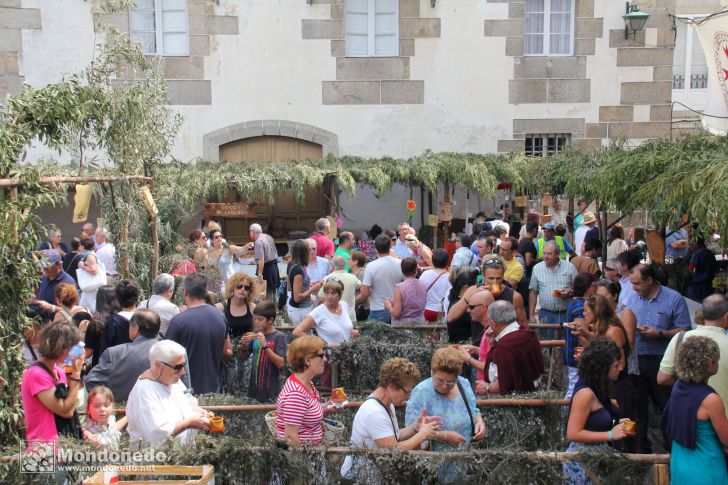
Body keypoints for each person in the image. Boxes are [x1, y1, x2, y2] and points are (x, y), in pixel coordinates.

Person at [341, 358, 442, 483]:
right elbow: (394, 449)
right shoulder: (374, 412)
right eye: (407, 391)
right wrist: (422, 435)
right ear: (392, 387)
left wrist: (415, 427)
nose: (408, 397)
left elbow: (392, 437)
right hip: (358, 478)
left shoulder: (387, 404)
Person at [628, 263, 691, 453]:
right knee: (638, 410)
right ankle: (641, 453)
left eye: (637, 284)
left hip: (663, 362)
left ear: (649, 280)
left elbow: (685, 330)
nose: (634, 288)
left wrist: (660, 334)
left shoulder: (673, 299)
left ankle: (672, 451)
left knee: (667, 408)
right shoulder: (632, 298)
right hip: (637, 360)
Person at [405, 347, 486, 482]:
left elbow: (474, 411)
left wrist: (479, 422)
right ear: (432, 371)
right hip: (434, 470)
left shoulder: (464, 384)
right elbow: (412, 433)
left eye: (450, 382)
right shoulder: (421, 392)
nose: (444, 385)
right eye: (439, 380)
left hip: (465, 465)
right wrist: (444, 436)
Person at [662, 336, 728, 484]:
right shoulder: (710, 399)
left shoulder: (678, 387)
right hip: (706, 469)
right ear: (711, 364)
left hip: (680, 466)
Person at [563, 338, 629, 484]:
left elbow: (595, 420)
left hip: (594, 459)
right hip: (581, 464)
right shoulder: (585, 394)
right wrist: (611, 434)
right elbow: (573, 433)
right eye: (615, 365)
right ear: (602, 367)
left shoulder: (598, 386)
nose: (621, 368)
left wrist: (617, 423)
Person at [126, 340, 211, 447]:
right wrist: (188, 423)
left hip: (181, 456)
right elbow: (155, 435)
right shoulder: (144, 391)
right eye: (177, 367)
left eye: (184, 365)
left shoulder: (172, 380)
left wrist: (198, 411)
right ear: (158, 365)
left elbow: (188, 400)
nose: (183, 371)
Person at [659, 294, 728, 415]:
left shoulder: (681, 338)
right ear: (726, 316)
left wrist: (689, 383)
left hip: (686, 416)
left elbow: (663, 378)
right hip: (723, 418)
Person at [21, 320, 84, 443]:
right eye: (73, 347)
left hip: (64, 447)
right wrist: (76, 375)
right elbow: (65, 411)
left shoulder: (58, 372)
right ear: (60, 347)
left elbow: (69, 405)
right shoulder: (36, 375)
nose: (75, 353)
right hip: (45, 450)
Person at [166, 273, 229, 395]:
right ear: (205, 293)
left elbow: (167, 355)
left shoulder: (178, 321)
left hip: (185, 387)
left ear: (185, 292)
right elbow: (226, 349)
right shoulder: (220, 317)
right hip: (214, 386)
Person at [466, 301, 543, 395]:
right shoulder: (529, 334)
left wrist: (487, 387)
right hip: (535, 393)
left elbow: (505, 384)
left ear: (493, 323)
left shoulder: (504, 346)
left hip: (514, 403)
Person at [85, 309, 161, 402]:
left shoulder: (115, 353)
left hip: (122, 412)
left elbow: (91, 381)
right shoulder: (171, 351)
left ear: (136, 328)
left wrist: (108, 402)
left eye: (130, 326)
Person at [275, 335, 330, 445]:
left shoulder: (306, 383)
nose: (325, 359)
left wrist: (328, 406)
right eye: (321, 355)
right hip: (304, 458)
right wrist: (305, 461)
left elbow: (306, 411)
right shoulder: (296, 394)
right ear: (308, 360)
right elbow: (290, 438)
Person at [240, 301, 287, 402]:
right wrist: (243, 346)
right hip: (254, 390)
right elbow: (244, 357)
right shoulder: (256, 333)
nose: (256, 322)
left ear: (270, 320)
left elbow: (280, 364)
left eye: (260, 319)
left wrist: (265, 346)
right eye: (254, 318)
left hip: (272, 390)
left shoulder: (279, 336)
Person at [528, 241, 578, 331]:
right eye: (544, 253)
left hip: (566, 313)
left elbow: (578, 289)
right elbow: (533, 292)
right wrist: (531, 315)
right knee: (547, 342)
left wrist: (570, 292)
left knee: (566, 341)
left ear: (558, 254)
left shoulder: (569, 267)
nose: (546, 256)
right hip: (546, 314)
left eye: (549, 254)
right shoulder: (537, 268)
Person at [563, 274, 597, 398]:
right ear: (586, 287)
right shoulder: (580, 305)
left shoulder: (575, 302)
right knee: (574, 387)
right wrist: (593, 350)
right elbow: (581, 334)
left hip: (573, 351)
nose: (595, 288)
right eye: (593, 286)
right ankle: (566, 414)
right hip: (578, 353)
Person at [294, 278, 357, 346]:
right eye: (327, 293)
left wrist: (351, 331)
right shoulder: (318, 311)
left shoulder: (344, 305)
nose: (329, 296)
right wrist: (321, 343)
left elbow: (342, 325)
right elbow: (297, 331)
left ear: (340, 294)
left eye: (333, 293)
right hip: (329, 354)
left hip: (348, 352)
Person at [357, 234, 403, 324]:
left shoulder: (371, 266)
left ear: (375, 248)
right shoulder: (400, 263)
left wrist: (353, 301)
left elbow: (365, 293)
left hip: (378, 309)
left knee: (371, 337)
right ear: (390, 246)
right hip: (397, 308)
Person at [98, 279, 140, 357]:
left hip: (117, 366)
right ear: (138, 297)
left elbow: (105, 352)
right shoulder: (146, 319)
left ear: (117, 298)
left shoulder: (112, 322)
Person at [33, 249, 76, 321]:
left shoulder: (68, 283)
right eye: (43, 266)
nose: (44, 269)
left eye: (47, 267)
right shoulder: (44, 277)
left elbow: (73, 311)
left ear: (59, 265)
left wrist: (51, 307)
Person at [287, 239, 323, 326]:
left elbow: (289, 286)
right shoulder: (298, 270)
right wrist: (312, 289)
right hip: (299, 310)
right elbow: (297, 298)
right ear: (305, 252)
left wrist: (308, 285)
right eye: (309, 250)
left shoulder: (291, 263)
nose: (311, 252)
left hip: (299, 308)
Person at [84, 285, 119, 368]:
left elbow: (87, 353)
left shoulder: (96, 323)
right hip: (120, 365)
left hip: (100, 367)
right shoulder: (122, 319)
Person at [318, 255, 361, 322]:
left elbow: (321, 298)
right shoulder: (353, 278)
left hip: (334, 317)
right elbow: (360, 286)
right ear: (345, 265)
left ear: (332, 265)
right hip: (350, 316)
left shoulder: (327, 279)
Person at [386, 257, 427, 324]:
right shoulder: (422, 284)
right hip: (420, 325)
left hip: (403, 328)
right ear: (415, 269)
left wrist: (388, 305)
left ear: (402, 270)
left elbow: (396, 314)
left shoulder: (399, 287)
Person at [215, 272, 256, 338]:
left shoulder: (252, 307)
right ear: (232, 287)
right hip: (227, 346)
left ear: (249, 291)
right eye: (239, 286)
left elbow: (257, 330)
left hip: (247, 346)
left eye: (246, 287)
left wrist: (252, 335)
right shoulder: (220, 307)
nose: (243, 289)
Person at [138, 273, 180, 337]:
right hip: (162, 345)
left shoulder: (142, 304)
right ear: (170, 291)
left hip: (142, 344)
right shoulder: (173, 309)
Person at [445, 268, 479, 344]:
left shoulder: (455, 300)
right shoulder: (462, 306)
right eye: (476, 287)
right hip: (462, 348)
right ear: (467, 287)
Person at [247, 223, 279, 301]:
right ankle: (275, 309)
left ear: (254, 232)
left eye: (250, 231)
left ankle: (268, 310)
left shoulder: (258, 242)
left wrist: (260, 274)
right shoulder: (269, 237)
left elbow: (261, 259)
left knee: (266, 293)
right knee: (273, 291)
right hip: (274, 266)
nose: (249, 233)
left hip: (266, 269)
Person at [420, 249, 452, 322]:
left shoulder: (425, 274)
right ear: (447, 262)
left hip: (427, 310)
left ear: (433, 260)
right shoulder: (450, 277)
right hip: (443, 312)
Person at [687, 238, 717, 302]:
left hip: (698, 288)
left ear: (696, 244)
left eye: (690, 244)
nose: (690, 247)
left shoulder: (697, 255)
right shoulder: (711, 254)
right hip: (709, 286)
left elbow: (690, 270)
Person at [77, 237, 102, 312]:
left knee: (92, 308)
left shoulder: (90, 256)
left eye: (80, 245)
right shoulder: (89, 255)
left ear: (83, 246)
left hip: (91, 287)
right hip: (89, 287)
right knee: (83, 307)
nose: (79, 247)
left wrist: (83, 266)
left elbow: (94, 270)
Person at [349, 250, 369, 321]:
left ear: (356, 262)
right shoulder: (351, 273)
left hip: (363, 308)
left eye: (349, 259)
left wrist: (351, 302)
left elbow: (364, 294)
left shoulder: (362, 273)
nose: (348, 261)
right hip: (356, 307)